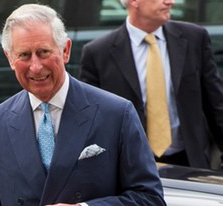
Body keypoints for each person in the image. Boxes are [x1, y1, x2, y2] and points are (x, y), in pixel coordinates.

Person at [0, 3, 165, 205]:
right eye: (24, 55)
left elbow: (150, 198)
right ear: (10, 59)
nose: (36, 67)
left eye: (44, 52)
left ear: (65, 50)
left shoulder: (116, 113)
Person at [80, 0, 223, 169]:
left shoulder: (194, 38)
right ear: (134, 2)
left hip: (190, 161)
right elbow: (91, 120)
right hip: (132, 166)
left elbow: (216, 104)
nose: (170, 2)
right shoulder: (98, 52)